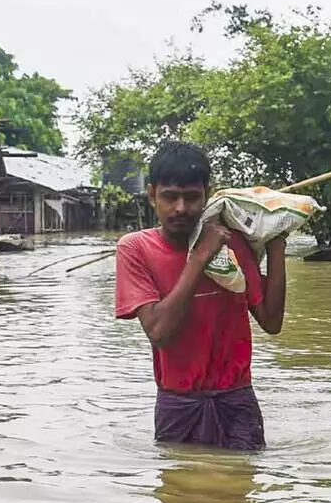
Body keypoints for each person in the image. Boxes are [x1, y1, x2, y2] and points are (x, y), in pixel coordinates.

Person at [114, 140, 288, 451]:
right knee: (180, 494)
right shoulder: (135, 248)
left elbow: (272, 321)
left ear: (208, 194)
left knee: (241, 496)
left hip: (237, 401)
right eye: (169, 197)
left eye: (192, 198)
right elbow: (159, 332)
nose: (181, 208)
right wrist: (200, 257)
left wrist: (275, 242)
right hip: (177, 404)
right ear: (152, 194)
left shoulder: (232, 242)